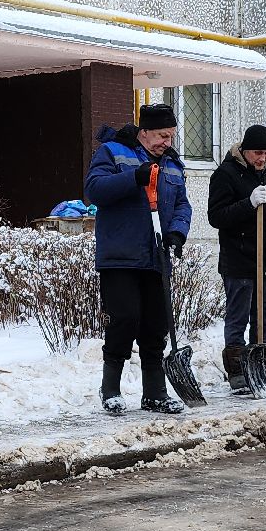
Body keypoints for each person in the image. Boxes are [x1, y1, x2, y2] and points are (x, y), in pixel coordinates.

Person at [83, 104, 191, 415]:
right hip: (120, 255)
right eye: (161, 135)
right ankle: (111, 388)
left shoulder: (172, 164)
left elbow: (183, 205)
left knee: (155, 324)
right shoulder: (113, 152)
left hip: (155, 256)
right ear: (143, 132)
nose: (166, 142)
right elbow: (95, 190)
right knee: (125, 318)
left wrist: (176, 233)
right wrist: (134, 177)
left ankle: (154, 393)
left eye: (170, 136)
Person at [207, 123, 266, 393]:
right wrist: (248, 203)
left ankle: (261, 367)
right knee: (238, 317)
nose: (261, 158)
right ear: (244, 150)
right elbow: (216, 217)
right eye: (256, 152)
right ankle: (238, 371)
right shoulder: (225, 174)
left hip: (263, 260)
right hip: (238, 261)